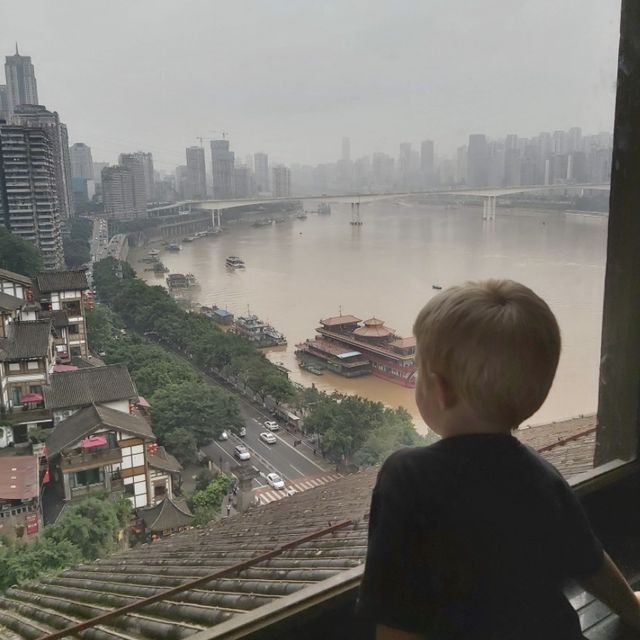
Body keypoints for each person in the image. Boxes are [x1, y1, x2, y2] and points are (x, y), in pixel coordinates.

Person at [357, 279, 640, 640]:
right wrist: (633, 611)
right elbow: (590, 561)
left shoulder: (406, 475)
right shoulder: (541, 474)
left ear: (439, 390)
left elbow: (396, 615)